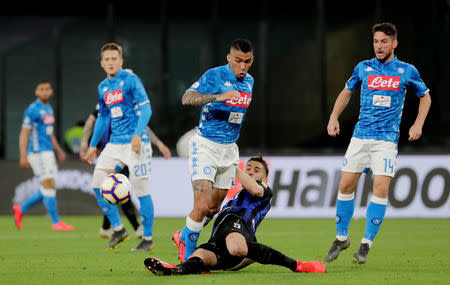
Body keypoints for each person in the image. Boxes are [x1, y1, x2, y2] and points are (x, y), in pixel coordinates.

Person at [324, 22, 431, 264]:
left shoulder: (406, 70)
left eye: (384, 41)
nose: (379, 46)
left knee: (380, 189)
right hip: (360, 137)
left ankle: (366, 243)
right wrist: (333, 117)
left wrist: (418, 124)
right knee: (345, 187)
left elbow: (425, 97)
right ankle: (341, 238)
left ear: (394, 43)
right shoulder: (364, 68)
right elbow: (346, 92)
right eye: (375, 41)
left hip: (386, 141)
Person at [145, 156, 327, 275]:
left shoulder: (264, 190)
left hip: (238, 228)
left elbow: (255, 189)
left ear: (264, 178)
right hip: (219, 238)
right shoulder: (234, 199)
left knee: (237, 248)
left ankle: (297, 265)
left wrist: (236, 168)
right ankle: (174, 270)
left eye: (256, 170)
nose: (250, 171)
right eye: (248, 167)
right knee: (198, 258)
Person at [173, 38, 255, 262]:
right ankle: (188, 259)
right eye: (238, 61)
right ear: (229, 58)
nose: (242, 66)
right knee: (200, 205)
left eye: (247, 62)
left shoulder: (249, 82)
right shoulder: (214, 75)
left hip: (229, 150)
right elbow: (187, 98)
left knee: (213, 208)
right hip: (205, 146)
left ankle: (184, 233)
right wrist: (217, 97)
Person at [83, 43, 156, 251]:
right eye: (107, 59)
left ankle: (148, 238)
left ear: (121, 61)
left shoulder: (131, 80)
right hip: (115, 144)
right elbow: (103, 116)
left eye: (114, 58)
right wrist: (92, 145)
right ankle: (118, 229)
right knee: (97, 183)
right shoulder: (103, 87)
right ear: (102, 63)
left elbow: (146, 109)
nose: (111, 62)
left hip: (137, 143)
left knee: (141, 189)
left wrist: (137, 135)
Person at [80, 101, 171, 239]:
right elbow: (91, 122)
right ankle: (134, 227)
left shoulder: (130, 100)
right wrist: (85, 144)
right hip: (113, 150)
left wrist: (158, 143)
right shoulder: (105, 100)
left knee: (113, 188)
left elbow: (143, 126)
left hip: (132, 149)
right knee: (117, 187)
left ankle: (108, 228)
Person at [13, 81, 74, 231]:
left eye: (47, 89)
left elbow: (49, 132)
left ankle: (21, 209)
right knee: (48, 185)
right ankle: (56, 222)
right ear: (36, 92)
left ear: (51, 91)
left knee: (49, 186)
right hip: (37, 152)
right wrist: (22, 155)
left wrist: (58, 149)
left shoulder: (48, 108)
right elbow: (24, 132)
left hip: (47, 152)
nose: (45, 91)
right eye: (41, 89)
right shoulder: (32, 109)